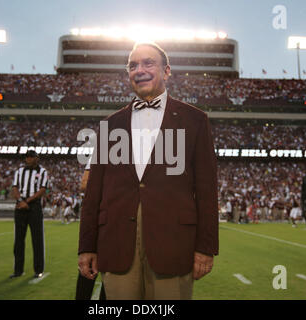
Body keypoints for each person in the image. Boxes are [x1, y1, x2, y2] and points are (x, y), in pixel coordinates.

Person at [78, 42, 218, 300]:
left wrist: (206, 247)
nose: (139, 70)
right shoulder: (111, 124)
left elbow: (207, 190)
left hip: (173, 245)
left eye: (148, 63)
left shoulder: (195, 120)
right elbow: (94, 193)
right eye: (133, 65)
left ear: (167, 71)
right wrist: (86, 246)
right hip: (117, 243)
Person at [10, 150, 49, 279]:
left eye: (33, 157)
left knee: (37, 239)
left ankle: (38, 269)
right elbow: (14, 187)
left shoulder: (42, 171)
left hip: (34, 206)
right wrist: (20, 201)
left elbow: (42, 189)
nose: (30, 159)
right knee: (18, 240)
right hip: (20, 205)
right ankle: (18, 270)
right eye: (28, 157)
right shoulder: (19, 171)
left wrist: (27, 201)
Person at [75, 156, 106, 300]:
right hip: (100, 221)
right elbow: (85, 183)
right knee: (88, 272)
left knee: (113, 277)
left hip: (118, 224)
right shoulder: (104, 149)